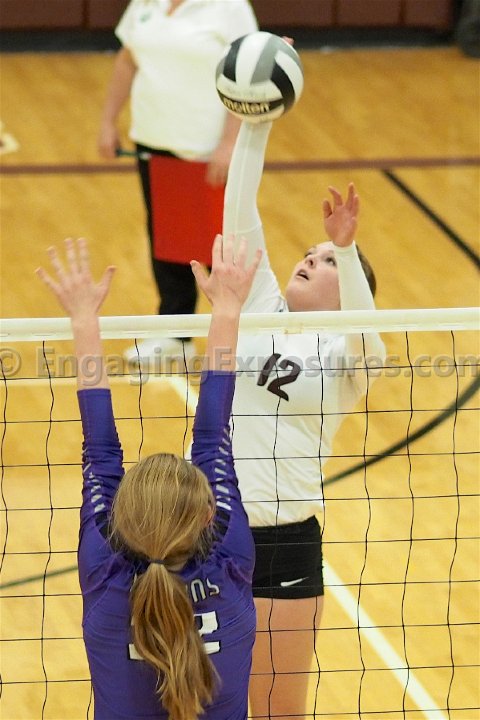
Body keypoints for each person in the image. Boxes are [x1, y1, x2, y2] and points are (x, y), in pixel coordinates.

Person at [35, 234, 262, 719]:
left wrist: (82, 320)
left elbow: (103, 454)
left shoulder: (107, 573)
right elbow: (212, 438)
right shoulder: (229, 559)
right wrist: (227, 309)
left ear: (123, 515)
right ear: (208, 516)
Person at [222, 121, 386, 717]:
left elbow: (365, 328)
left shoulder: (350, 356)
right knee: (197, 703)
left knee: (278, 710)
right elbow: (238, 211)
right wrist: (255, 123)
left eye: (326, 261)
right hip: (209, 532)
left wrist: (346, 246)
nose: (310, 260)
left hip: (283, 542)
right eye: (309, 254)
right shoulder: (260, 308)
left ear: (350, 288)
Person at [97, 0, 258, 364]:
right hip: (154, 144)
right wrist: (108, 121)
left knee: (222, 247)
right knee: (167, 238)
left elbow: (246, 77)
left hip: (208, 151)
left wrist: (229, 143)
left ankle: (242, 337)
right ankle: (175, 333)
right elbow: (128, 60)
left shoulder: (230, 8)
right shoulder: (146, 3)